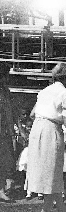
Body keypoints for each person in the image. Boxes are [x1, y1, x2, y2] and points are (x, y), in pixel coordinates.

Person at [26, 62, 66, 212]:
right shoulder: (65, 94)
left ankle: (62, 211)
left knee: (52, 172)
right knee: (51, 173)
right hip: (51, 131)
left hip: (37, 130)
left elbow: (32, 114)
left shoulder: (44, 91)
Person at [0, 63, 16, 202]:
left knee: (4, 160)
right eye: (6, 76)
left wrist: (14, 132)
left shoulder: (5, 91)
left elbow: (10, 113)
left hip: (3, 131)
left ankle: (1, 189)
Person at [16, 118, 33, 199]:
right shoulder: (25, 135)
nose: (30, 128)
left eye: (31, 127)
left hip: (36, 154)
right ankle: (28, 192)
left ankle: (40, 192)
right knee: (28, 173)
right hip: (27, 154)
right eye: (28, 127)